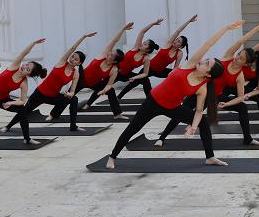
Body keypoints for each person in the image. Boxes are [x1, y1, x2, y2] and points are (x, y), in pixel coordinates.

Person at [105, 20, 247, 169]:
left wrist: (193, 126)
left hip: (172, 107)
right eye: (206, 60)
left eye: (206, 63)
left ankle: (210, 157)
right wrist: (226, 28)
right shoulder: (191, 65)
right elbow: (208, 44)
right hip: (153, 101)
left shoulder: (202, 88)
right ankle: (113, 156)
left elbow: (199, 111)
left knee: (203, 121)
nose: (203, 61)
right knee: (133, 128)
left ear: (208, 75)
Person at [154, 20, 259, 147]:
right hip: (201, 90)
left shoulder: (240, 76)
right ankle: (162, 137)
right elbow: (239, 42)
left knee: (242, 107)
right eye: (238, 54)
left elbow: (241, 97)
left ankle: (247, 138)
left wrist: (227, 103)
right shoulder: (228, 56)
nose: (237, 57)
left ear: (246, 64)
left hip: (216, 96)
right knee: (182, 111)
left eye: (240, 58)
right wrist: (256, 29)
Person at [3, 32, 96, 138]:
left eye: (76, 59)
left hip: (53, 96)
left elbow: (73, 91)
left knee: (73, 99)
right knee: (25, 110)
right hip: (39, 94)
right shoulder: (62, 62)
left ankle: (71, 125)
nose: (72, 59)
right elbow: (72, 48)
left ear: (79, 63)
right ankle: (8, 126)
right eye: (72, 56)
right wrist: (83, 37)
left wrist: (70, 94)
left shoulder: (76, 74)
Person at [76, 22, 132, 115]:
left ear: (114, 61)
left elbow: (109, 84)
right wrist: (123, 29)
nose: (109, 53)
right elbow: (114, 41)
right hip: (81, 79)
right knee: (68, 97)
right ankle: (54, 114)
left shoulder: (114, 70)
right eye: (110, 52)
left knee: (111, 91)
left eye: (111, 55)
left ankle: (117, 114)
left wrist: (104, 90)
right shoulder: (103, 55)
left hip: (94, 84)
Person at [116, 19, 163, 99]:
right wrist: (153, 23)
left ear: (148, 49)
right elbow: (142, 32)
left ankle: (150, 100)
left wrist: (135, 77)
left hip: (126, 75)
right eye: (143, 42)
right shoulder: (136, 47)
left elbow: (145, 73)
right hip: (115, 72)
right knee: (102, 87)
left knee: (145, 80)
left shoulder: (146, 58)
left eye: (144, 44)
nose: (142, 43)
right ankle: (89, 104)